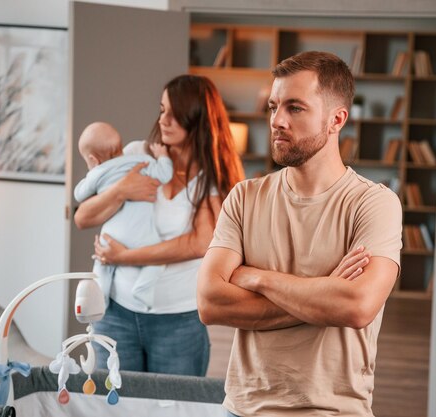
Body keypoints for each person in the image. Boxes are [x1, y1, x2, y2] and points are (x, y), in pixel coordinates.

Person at [197, 51, 402, 416]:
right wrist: (323, 292)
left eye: (295, 108)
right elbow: (210, 302)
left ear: (336, 119)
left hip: (332, 410)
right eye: (274, 107)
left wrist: (255, 277)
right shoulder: (245, 198)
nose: (277, 121)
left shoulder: (375, 204)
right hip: (242, 409)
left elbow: (356, 307)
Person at [74, 74, 244, 376]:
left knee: (172, 406)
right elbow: (83, 217)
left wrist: (124, 257)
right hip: (115, 312)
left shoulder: (211, 178)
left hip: (177, 320)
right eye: (161, 109)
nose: (163, 120)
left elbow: (199, 243)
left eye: (173, 113)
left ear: (197, 119)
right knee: (113, 405)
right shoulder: (137, 154)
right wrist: (121, 190)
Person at [74, 121, 173, 311]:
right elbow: (165, 174)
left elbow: (79, 194)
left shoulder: (98, 173)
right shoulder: (141, 161)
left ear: (93, 159)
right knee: (158, 261)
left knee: (102, 265)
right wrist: (162, 157)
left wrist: (92, 177)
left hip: (111, 236)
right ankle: (143, 290)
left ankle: (101, 295)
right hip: (142, 237)